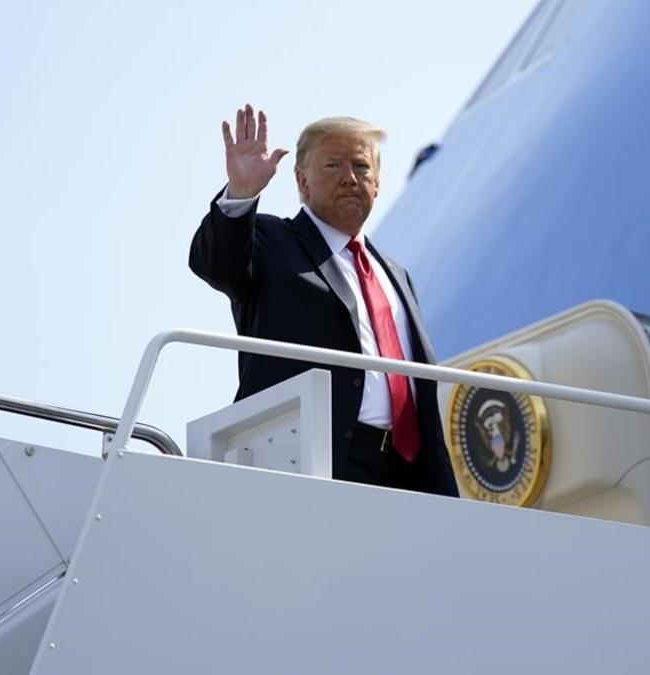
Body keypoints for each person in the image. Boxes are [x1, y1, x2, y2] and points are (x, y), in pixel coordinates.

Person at [190, 103, 459, 497]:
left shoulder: (395, 274)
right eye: (333, 165)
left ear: (378, 182)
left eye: (362, 167)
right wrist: (241, 195)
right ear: (302, 183)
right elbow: (217, 263)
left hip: (408, 474)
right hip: (320, 460)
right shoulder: (270, 241)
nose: (350, 178)